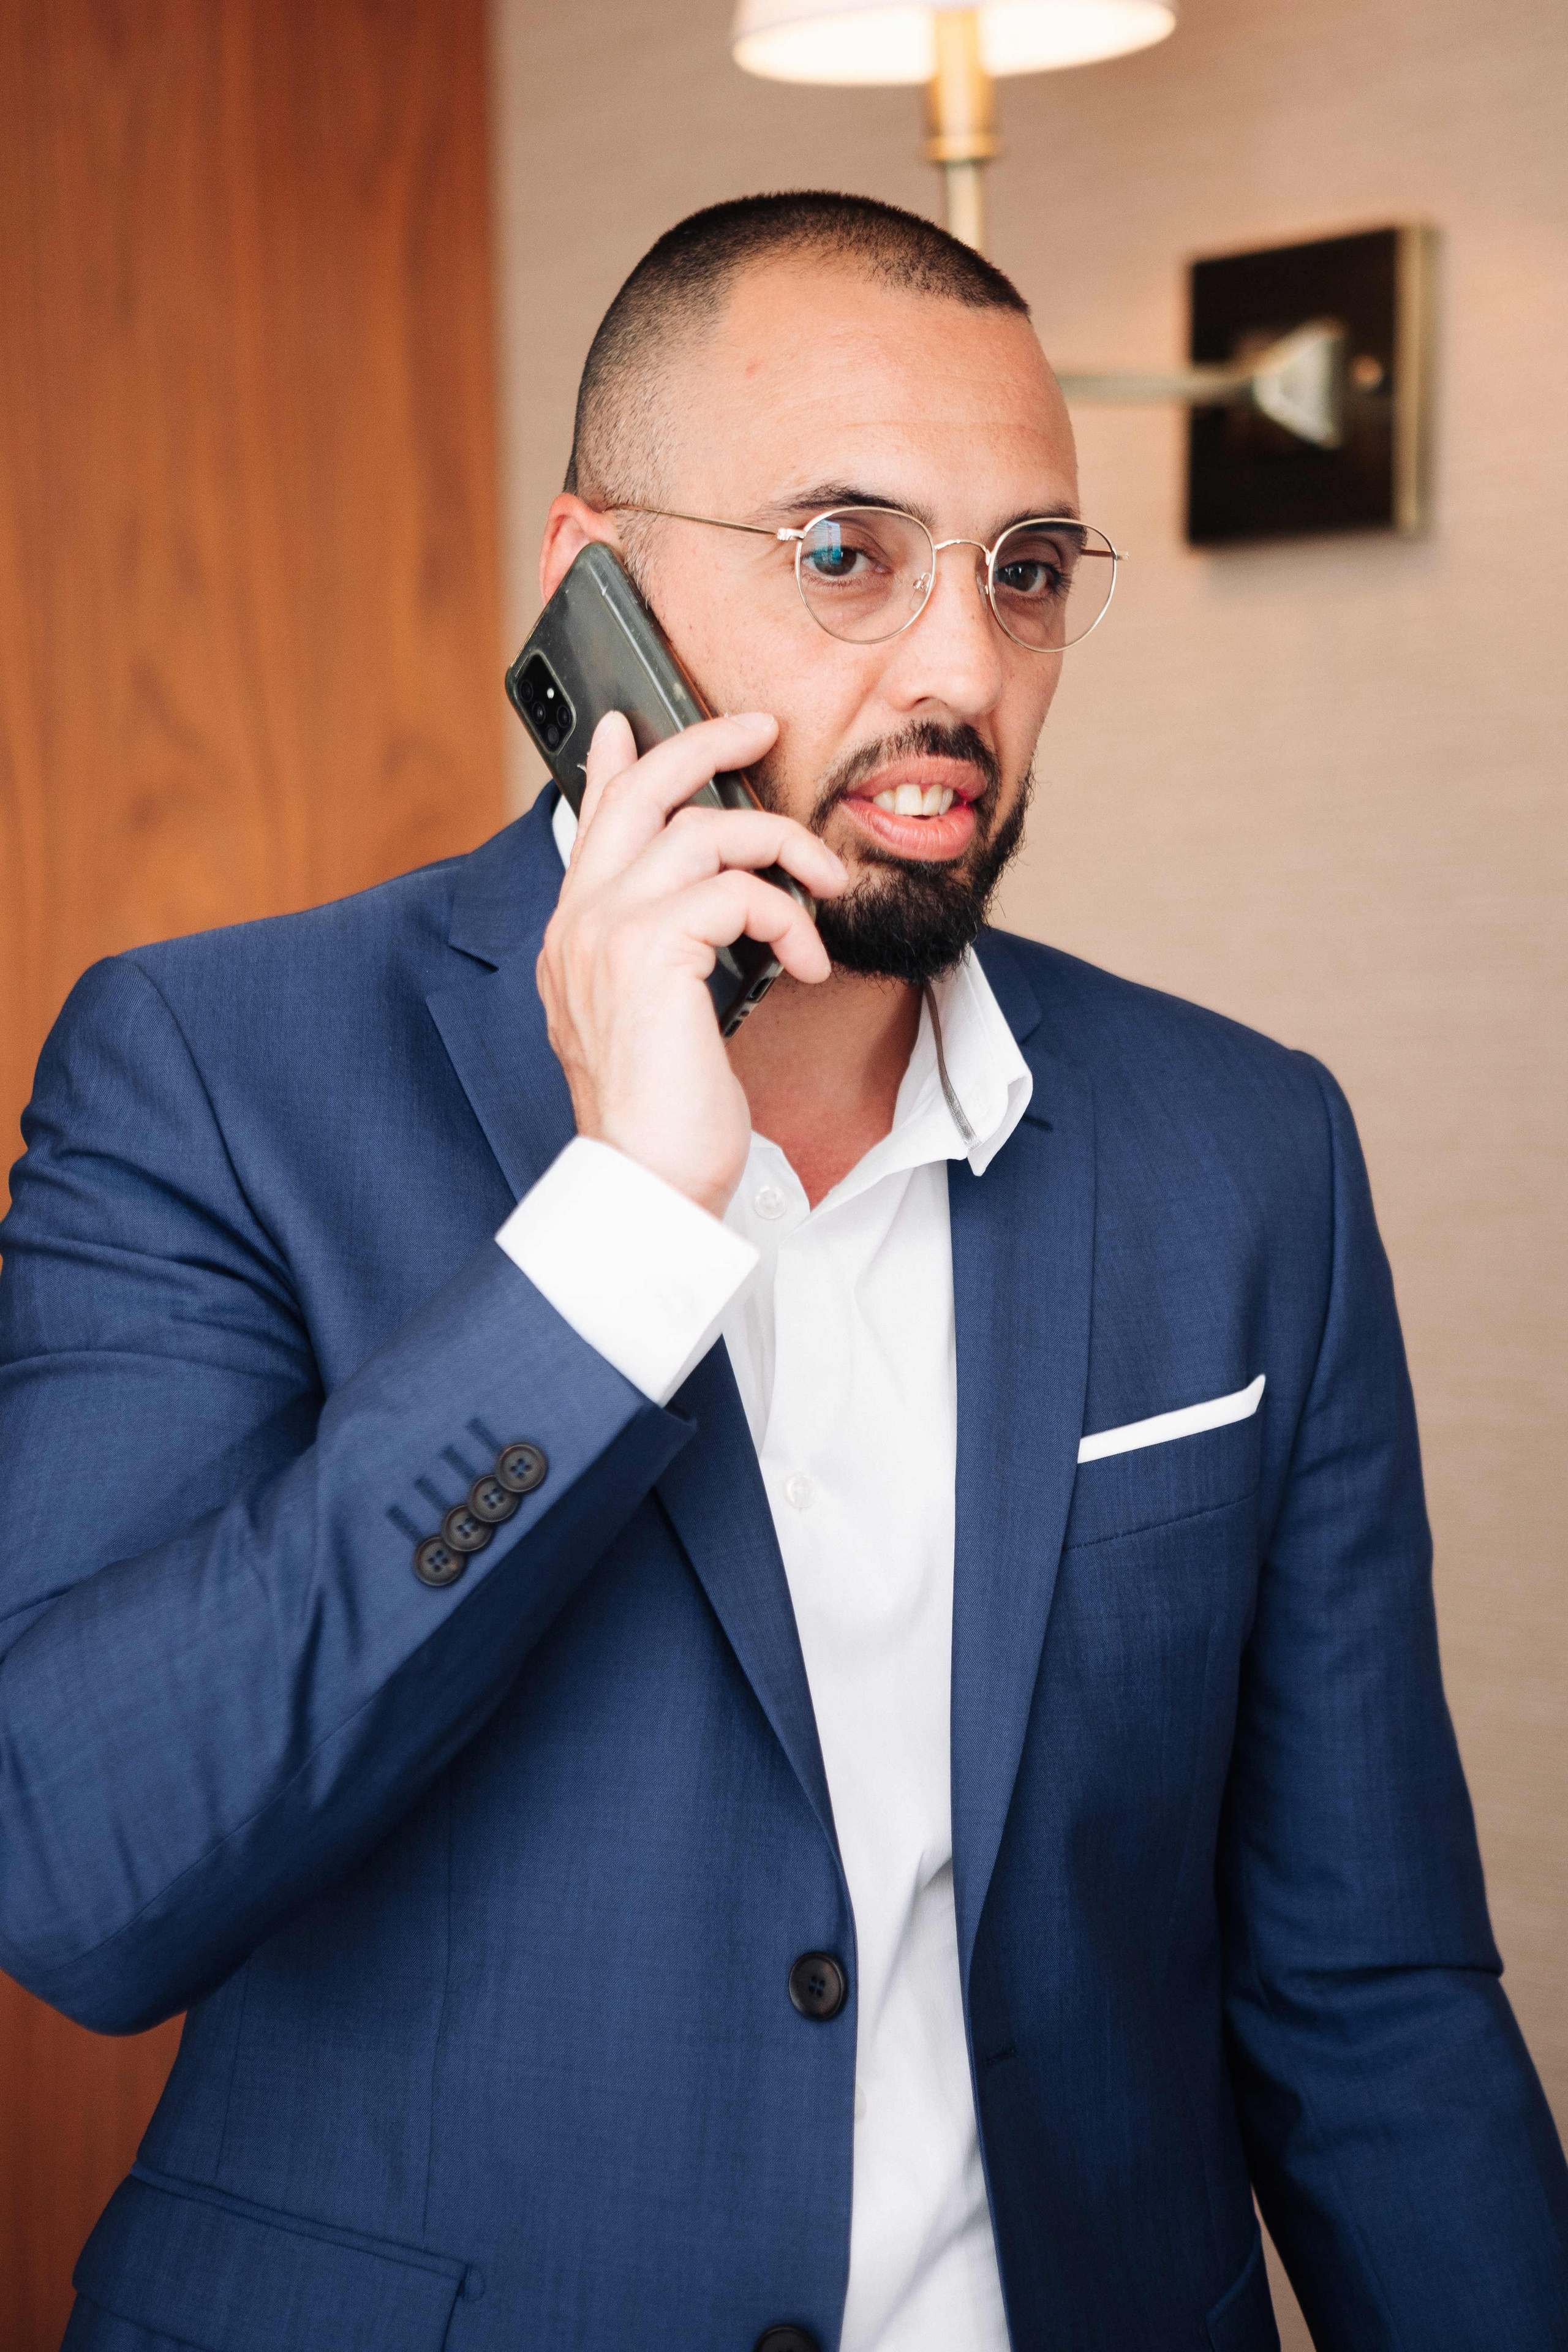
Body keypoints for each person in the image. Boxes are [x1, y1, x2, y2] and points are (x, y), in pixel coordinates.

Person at [0, 191, 1563, 2352]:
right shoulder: (208, 1069)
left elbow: (1369, 1993)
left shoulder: (1248, 1151)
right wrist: (627, 1227)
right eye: (847, 553)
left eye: (1025, 571)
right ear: (594, 591)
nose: (958, 667)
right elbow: (88, 1876)